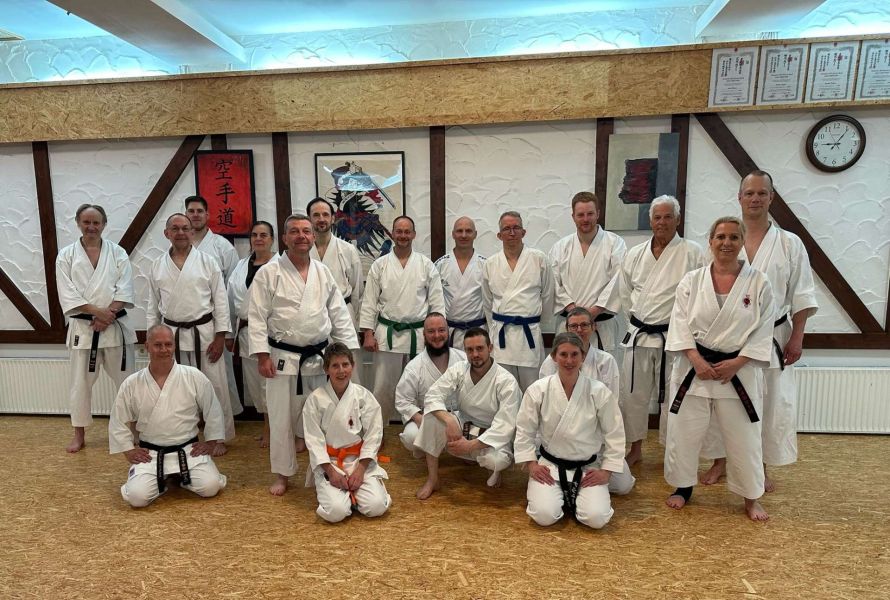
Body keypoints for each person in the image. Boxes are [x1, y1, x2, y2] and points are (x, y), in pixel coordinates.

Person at [699, 171, 818, 491]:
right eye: (749, 193)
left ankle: (759, 467)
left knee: (767, 402)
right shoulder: (724, 238)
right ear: (739, 197)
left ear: (771, 198)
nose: (755, 199)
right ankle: (719, 461)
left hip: (772, 336)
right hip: (725, 336)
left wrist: (797, 337)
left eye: (761, 193)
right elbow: (704, 289)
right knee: (721, 400)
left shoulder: (789, 243)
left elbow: (802, 294)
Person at [663, 216, 775, 522]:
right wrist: (695, 359)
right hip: (694, 368)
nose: (727, 243)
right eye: (721, 237)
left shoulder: (759, 282)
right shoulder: (692, 281)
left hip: (738, 370)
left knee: (744, 437)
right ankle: (683, 486)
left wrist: (738, 362)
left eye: (734, 237)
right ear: (710, 241)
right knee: (684, 432)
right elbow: (679, 322)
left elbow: (764, 329)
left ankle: (751, 496)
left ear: (742, 242)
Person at [248, 214, 358, 496]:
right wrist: (262, 355)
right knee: (281, 419)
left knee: (324, 417)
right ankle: (283, 474)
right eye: (295, 231)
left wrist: (347, 352)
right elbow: (257, 316)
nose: (301, 236)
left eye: (306, 231)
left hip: (319, 359)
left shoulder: (323, 272)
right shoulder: (269, 273)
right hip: (282, 358)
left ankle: (326, 467)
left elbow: (338, 313)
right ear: (285, 238)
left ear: (312, 236)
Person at [618, 195, 705, 467]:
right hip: (640, 336)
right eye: (657, 217)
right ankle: (635, 447)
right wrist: (637, 321)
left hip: (674, 339)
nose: (662, 222)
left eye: (668, 217)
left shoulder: (692, 252)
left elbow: (699, 296)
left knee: (673, 397)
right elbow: (624, 294)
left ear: (677, 220)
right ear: (651, 221)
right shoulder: (635, 254)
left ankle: (672, 450)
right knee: (633, 395)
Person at [515, 332, 632, 529]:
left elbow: (615, 433)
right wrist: (531, 465)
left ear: (583, 356)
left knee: (596, 519)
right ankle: (562, 496)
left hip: (587, 467)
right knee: (544, 516)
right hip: (550, 467)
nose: (569, 361)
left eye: (575, 354)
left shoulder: (599, 391)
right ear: (554, 356)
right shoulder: (538, 390)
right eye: (563, 354)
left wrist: (606, 471)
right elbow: (524, 429)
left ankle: (576, 496)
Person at [109, 325, 227, 508]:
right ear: (147, 346)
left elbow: (213, 410)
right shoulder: (132, 383)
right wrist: (128, 450)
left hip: (188, 449)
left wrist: (210, 443)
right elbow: (118, 419)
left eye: (168, 344)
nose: (164, 350)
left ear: (174, 346)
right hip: (151, 454)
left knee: (210, 487)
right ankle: (161, 480)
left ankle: (179, 477)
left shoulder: (193, 376)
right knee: (137, 498)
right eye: (158, 345)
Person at [146, 213, 234, 454]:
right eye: (175, 228)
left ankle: (218, 437)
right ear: (167, 233)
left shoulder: (207, 262)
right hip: (171, 336)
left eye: (185, 228)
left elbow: (221, 301)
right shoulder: (157, 265)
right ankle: (180, 435)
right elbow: (153, 306)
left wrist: (220, 336)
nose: (181, 233)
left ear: (192, 232)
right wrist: (152, 338)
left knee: (215, 387)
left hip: (204, 334)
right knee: (175, 387)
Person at [56, 204, 136, 453]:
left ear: (104, 224)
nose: (91, 227)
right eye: (86, 222)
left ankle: (134, 429)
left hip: (114, 327)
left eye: (96, 222)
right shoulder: (66, 255)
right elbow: (67, 293)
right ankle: (78, 434)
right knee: (80, 385)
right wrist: (97, 312)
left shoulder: (118, 253)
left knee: (128, 383)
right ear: (78, 222)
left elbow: (125, 288)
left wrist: (106, 315)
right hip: (83, 329)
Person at [414, 328, 521, 499]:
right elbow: (433, 395)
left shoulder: (506, 381)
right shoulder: (460, 369)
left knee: (496, 460)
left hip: (491, 433)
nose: (475, 354)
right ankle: (433, 479)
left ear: (490, 348)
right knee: (431, 417)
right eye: (470, 350)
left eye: (480, 348)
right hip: (463, 426)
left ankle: (493, 471)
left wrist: (470, 446)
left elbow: (505, 426)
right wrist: (449, 419)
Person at [359, 215, 446, 424]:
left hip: (419, 335)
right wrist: (368, 334)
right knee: (383, 387)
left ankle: (422, 429)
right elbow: (369, 301)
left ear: (414, 234)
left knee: (422, 386)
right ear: (393, 233)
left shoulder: (425, 265)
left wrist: (436, 334)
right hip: (387, 334)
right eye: (399, 231)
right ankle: (378, 429)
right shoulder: (380, 265)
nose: (403, 235)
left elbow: (437, 303)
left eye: (407, 232)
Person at [303, 343, 391, 523]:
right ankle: (343, 498)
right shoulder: (315, 400)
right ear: (326, 369)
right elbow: (313, 440)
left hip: (358, 460)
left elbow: (374, 434)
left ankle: (355, 497)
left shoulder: (363, 396)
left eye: (345, 364)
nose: (341, 371)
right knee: (336, 512)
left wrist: (361, 469)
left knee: (377, 506)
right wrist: (331, 472)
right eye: (335, 366)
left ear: (353, 366)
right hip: (330, 462)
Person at [481, 211, 554, 392]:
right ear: (499, 235)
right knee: (504, 389)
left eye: (516, 228)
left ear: (524, 232)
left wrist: (538, 323)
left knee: (534, 389)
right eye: (507, 229)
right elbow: (487, 302)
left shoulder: (539, 259)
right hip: (501, 336)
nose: (512, 233)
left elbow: (548, 296)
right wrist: (493, 329)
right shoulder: (490, 264)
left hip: (529, 334)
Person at [549, 192, 625, 354]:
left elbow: (619, 279)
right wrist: (574, 313)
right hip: (569, 323)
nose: (585, 219)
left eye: (590, 214)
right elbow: (553, 282)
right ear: (573, 217)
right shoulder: (560, 247)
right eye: (580, 215)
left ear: (598, 213)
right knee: (568, 366)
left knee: (603, 367)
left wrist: (593, 312)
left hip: (601, 324)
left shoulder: (615, 243)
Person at [227, 221, 275, 447]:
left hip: (271, 332)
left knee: (270, 384)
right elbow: (229, 299)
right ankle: (267, 424)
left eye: (264, 235)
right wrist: (229, 333)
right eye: (255, 235)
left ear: (272, 239)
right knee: (255, 384)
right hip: (246, 331)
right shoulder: (241, 266)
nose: (258, 239)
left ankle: (272, 428)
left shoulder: (279, 265)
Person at [394, 313, 467, 455]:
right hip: (428, 416)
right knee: (411, 437)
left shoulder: (462, 358)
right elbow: (403, 400)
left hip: (459, 416)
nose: (437, 335)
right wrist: (420, 419)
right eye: (431, 331)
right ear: (424, 335)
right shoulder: (414, 366)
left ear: (448, 331)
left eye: (441, 330)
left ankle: (457, 449)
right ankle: (429, 448)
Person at [307, 197, 364, 339]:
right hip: (311, 315)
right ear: (309, 219)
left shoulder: (348, 249)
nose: (321, 219)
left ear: (333, 218)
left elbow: (357, 290)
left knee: (345, 353)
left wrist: (357, 322)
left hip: (343, 314)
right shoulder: (302, 251)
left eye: (325, 214)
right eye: (316, 215)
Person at [539, 307, 619, 398]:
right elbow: (545, 395)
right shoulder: (553, 360)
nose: (579, 330)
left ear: (593, 327)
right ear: (567, 328)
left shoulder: (606, 360)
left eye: (584, 325)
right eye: (574, 326)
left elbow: (611, 398)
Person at [434, 216, 487, 348]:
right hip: (449, 332)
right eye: (459, 231)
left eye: (468, 231)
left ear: (475, 234)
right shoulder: (440, 264)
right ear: (453, 234)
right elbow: (432, 301)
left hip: (478, 332)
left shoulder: (485, 265)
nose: (464, 235)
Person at [186, 195, 239, 282]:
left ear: (207, 215)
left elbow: (233, 282)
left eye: (200, 211)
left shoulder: (224, 246)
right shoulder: (178, 245)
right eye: (191, 211)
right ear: (186, 215)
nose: (195, 215)